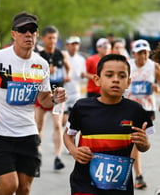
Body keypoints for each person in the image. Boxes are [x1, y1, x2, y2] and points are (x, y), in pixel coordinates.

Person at [0, 12, 66, 195]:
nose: (28, 34)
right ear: (14, 34)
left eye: (32, 30)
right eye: (23, 30)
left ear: (36, 34)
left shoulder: (41, 64)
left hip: (28, 132)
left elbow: (43, 98)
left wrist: (54, 99)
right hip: (1, 133)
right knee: (9, 186)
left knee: (24, 189)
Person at [63, 54, 154, 195]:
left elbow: (144, 147)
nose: (116, 80)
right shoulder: (82, 107)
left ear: (129, 82)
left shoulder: (135, 110)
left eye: (122, 76)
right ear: (97, 80)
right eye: (109, 75)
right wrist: (74, 151)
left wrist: (144, 143)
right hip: (84, 183)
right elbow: (68, 135)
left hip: (120, 186)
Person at [124, 39, 160, 190]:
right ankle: (136, 174)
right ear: (134, 54)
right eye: (140, 53)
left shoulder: (154, 66)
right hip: (129, 107)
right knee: (132, 141)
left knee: (136, 141)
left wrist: (156, 88)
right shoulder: (128, 66)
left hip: (146, 108)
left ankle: (136, 175)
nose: (143, 56)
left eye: (145, 52)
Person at [35, 25, 71, 171]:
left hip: (57, 96)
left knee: (57, 125)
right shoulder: (38, 56)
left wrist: (68, 76)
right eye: (49, 38)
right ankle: (37, 155)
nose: (52, 41)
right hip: (42, 95)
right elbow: (32, 75)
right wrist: (46, 72)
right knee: (39, 127)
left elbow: (68, 68)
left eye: (55, 38)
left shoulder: (61, 54)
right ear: (43, 39)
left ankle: (58, 157)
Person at [63, 36, 86, 126]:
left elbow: (82, 77)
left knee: (74, 123)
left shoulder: (81, 59)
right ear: (67, 45)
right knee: (62, 122)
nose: (75, 46)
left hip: (75, 94)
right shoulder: (62, 57)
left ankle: (68, 139)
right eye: (72, 44)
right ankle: (60, 139)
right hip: (63, 93)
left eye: (77, 44)